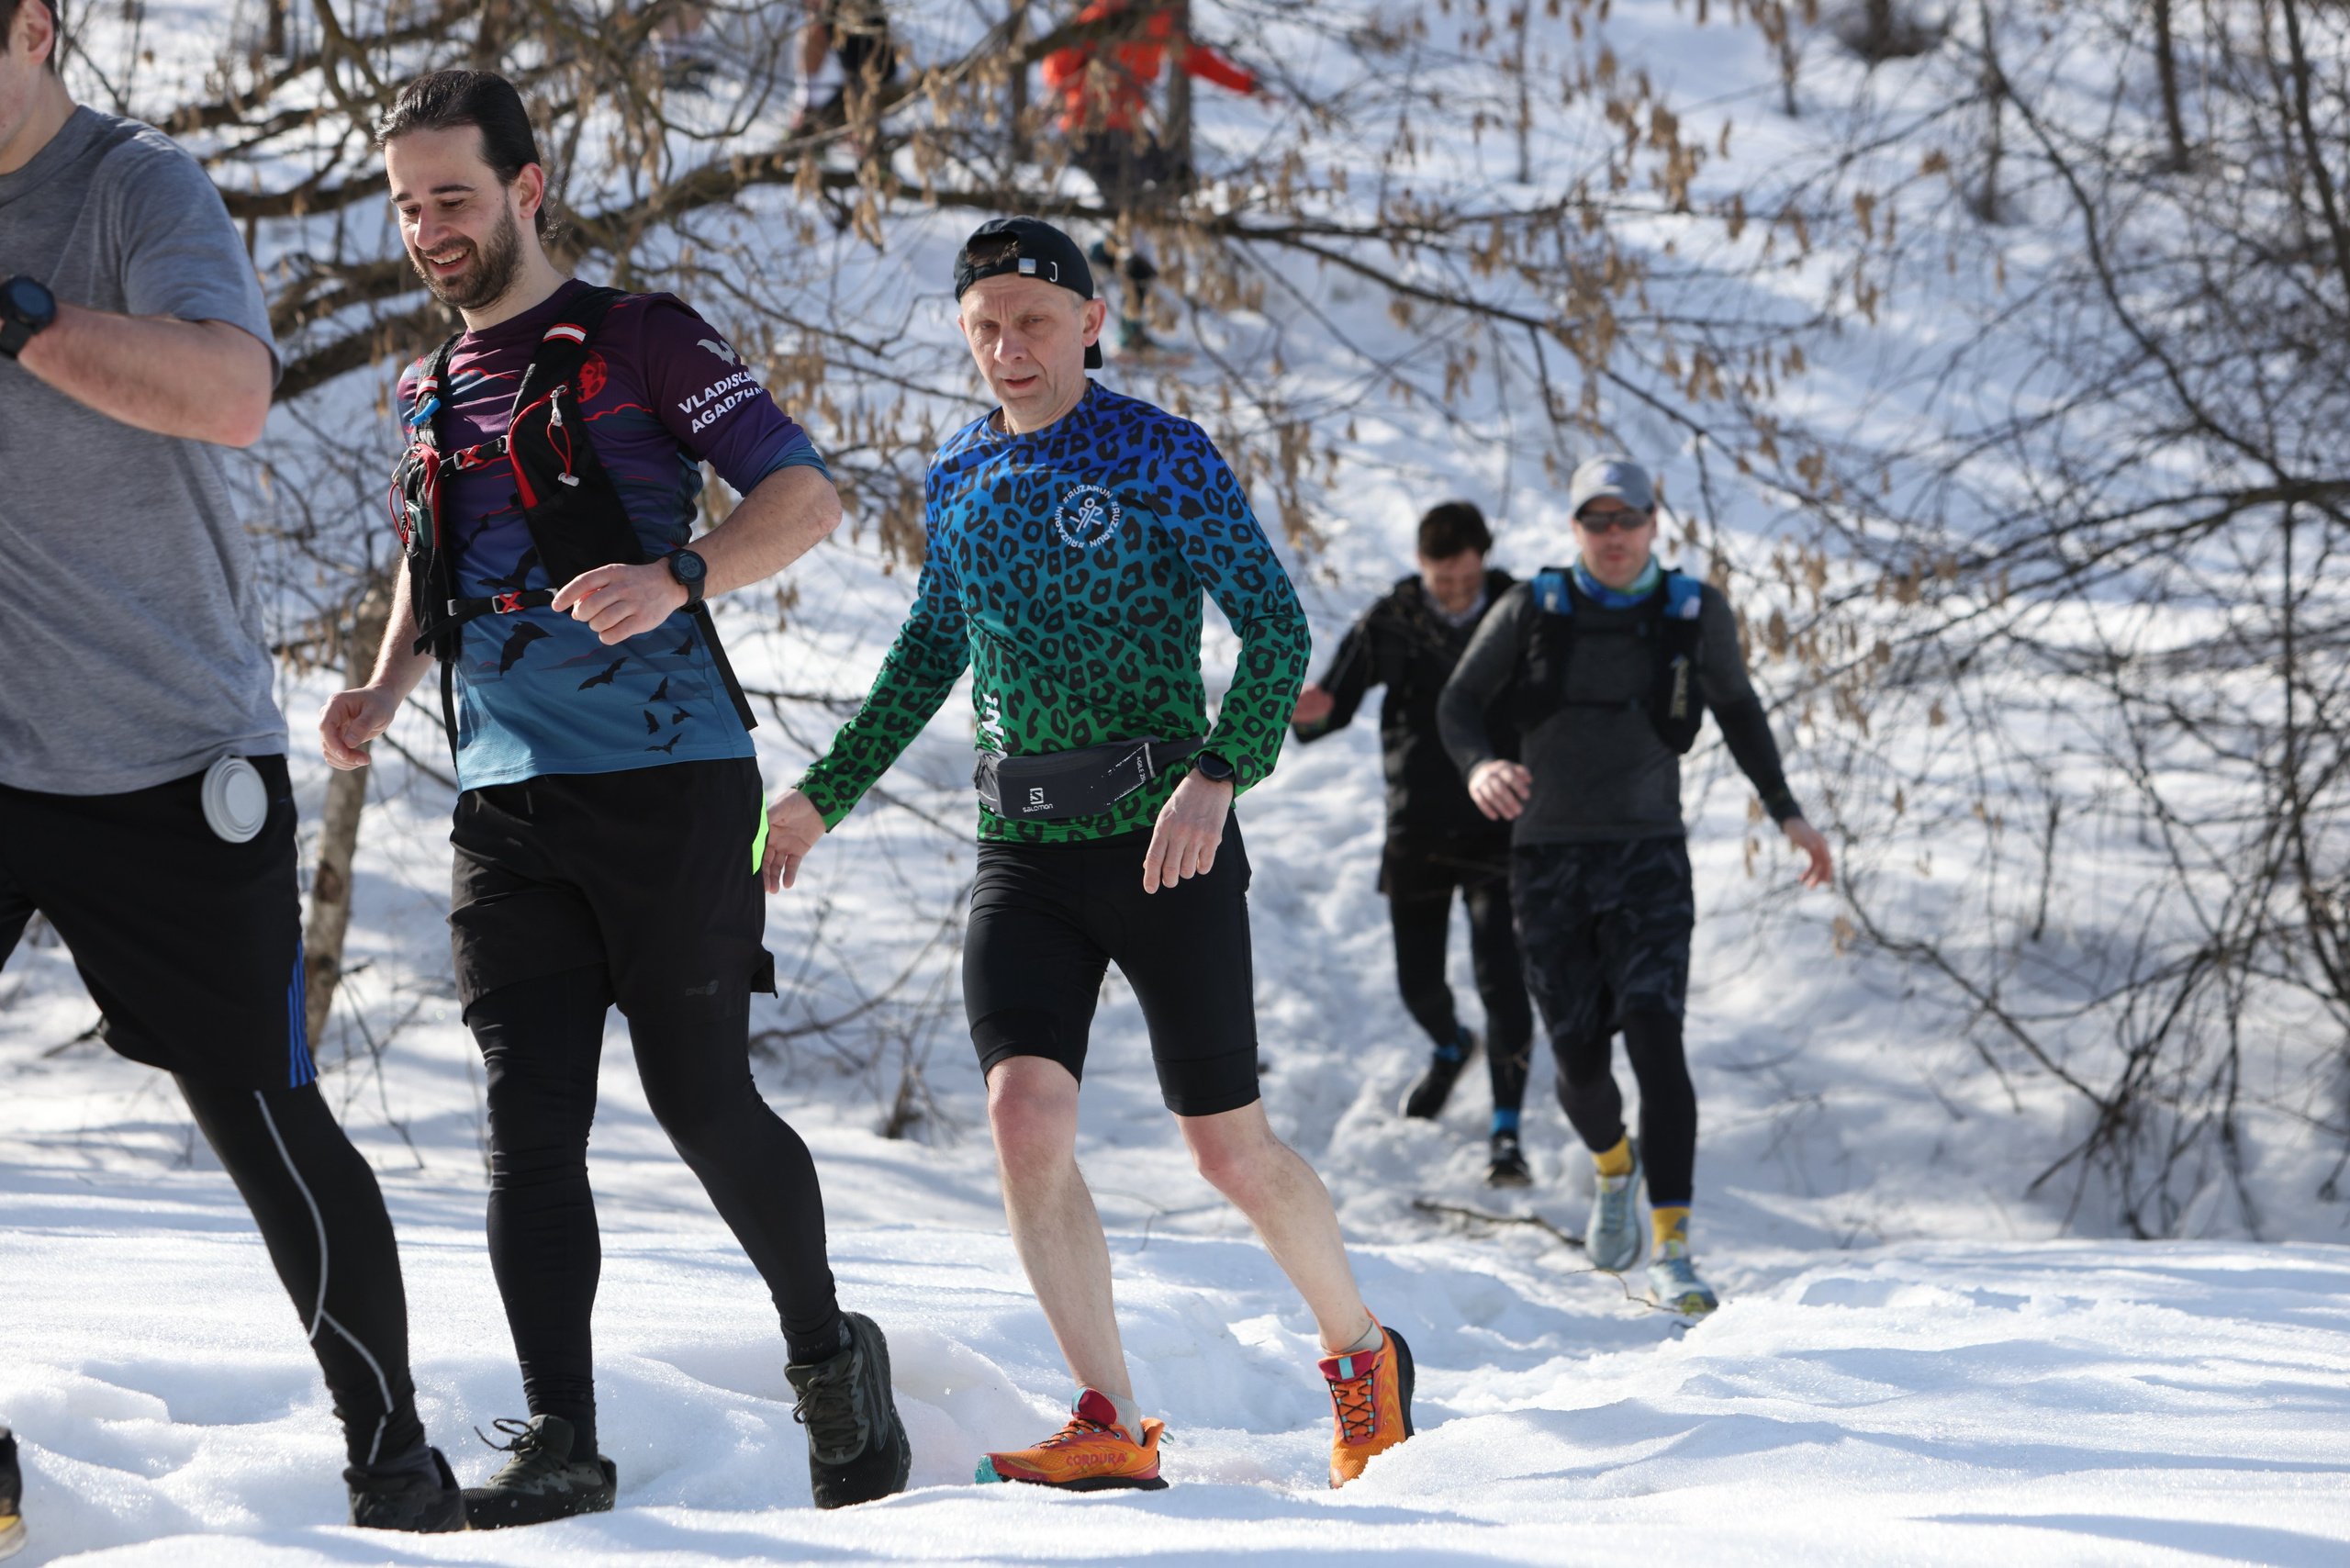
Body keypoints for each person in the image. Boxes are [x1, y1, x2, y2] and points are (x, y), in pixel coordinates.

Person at [317, 69, 908, 1524]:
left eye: (453, 197)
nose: (429, 230)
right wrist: (388, 685)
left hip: (672, 785)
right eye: (406, 207)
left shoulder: (641, 338)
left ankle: (833, 1363)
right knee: (529, 1126)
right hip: (506, 804)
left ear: (527, 188)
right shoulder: (428, 386)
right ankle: (564, 1439)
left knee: (702, 1102)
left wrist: (681, 572)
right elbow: (434, 554)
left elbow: (806, 494)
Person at [764, 216, 1416, 1491]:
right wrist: (819, 799)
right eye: (987, 327)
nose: (1010, 350)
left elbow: (1277, 632)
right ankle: (1108, 1414)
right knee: (1023, 1114)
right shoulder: (958, 474)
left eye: (1036, 323)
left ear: (1091, 324)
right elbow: (925, 657)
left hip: (1162, 841)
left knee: (1227, 1149)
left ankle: (1361, 1354)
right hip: (1019, 847)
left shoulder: (1162, 456)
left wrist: (1220, 775)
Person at [0, 0, 463, 1534]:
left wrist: (28, 319)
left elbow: (231, 391)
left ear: (35, 28)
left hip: (167, 758)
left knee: (262, 1116)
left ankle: (396, 1460)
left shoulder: (137, 188)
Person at [1437, 457, 1834, 1316]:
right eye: (1596, 520)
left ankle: (1676, 1250)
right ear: (1576, 529)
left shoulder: (1693, 613)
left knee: (1657, 1043)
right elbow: (1458, 705)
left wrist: (1789, 813)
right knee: (1578, 1058)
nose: (1613, 536)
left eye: (1628, 519)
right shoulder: (1532, 608)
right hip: (1547, 861)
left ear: (1655, 525)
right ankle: (1614, 1165)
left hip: (1650, 855)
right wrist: (1479, 767)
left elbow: (1740, 711)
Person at [1291, 502, 1538, 1186]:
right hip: (1418, 830)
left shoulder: (1521, 611)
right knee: (1418, 985)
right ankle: (1451, 1046)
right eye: (1440, 580)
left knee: (1502, 977)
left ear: (1483, 560)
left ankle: (1507, 1132)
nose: (1453, 593)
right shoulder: (1393, 617)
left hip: (1504, 824)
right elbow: (1331, 705)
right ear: (1422, 567)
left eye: (1463, 580)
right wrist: (1307, 713)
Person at [1041, 0, 1259, 354]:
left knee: (1179, 181)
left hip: (1130, 131)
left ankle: (1102, 253)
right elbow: (1056, 65)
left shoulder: (1158, 18)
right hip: (1093, 132)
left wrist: (1247, 85)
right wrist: (1071, 91)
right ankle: (1131, 332)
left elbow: (1195, 58)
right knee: (1137, 223)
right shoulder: (1107, 12)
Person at [792, 0, 899, 135]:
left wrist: (805, 105)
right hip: (868, 83)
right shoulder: (826, 13)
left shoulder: (829, 12)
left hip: (871, 85)